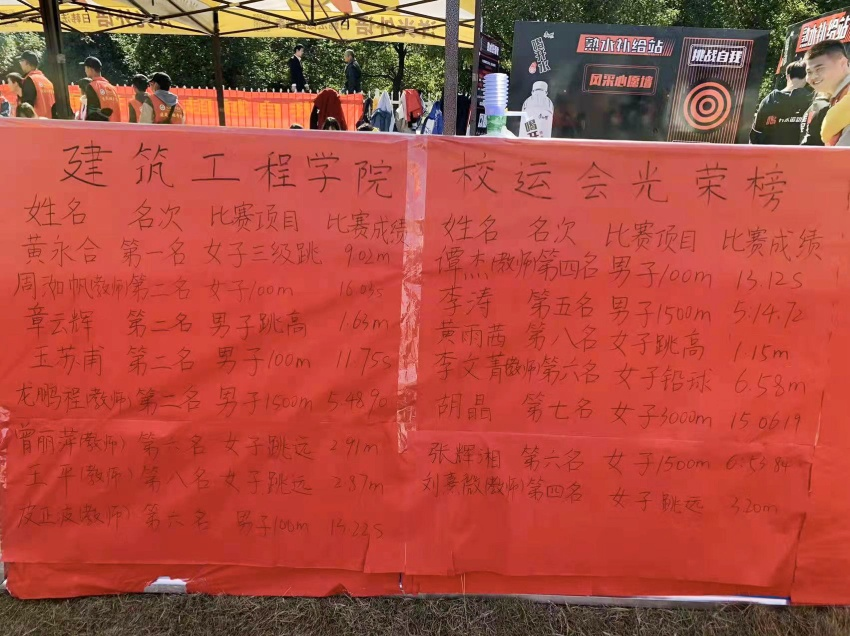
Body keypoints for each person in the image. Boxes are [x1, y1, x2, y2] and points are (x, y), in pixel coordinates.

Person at [749, 60, 812, 145]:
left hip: (770, 151)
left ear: (787, 76)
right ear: (806, 77)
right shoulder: (812, 100)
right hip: (800, 152)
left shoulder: (769, 100)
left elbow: (756, 133)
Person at [806, 39, 850, 145]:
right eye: (809, 72)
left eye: (819, 69)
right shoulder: (839, 98)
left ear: (843, 63)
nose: (813, 77)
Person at [81, 56, 121, 122]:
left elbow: (92, 114)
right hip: (115, 126)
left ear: (90, 69)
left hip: (101, 126)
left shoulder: (92, 86)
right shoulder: (112, 88)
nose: (85, 71)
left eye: (85, 68)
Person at [18, 50, 55, 118]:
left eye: (21, 61)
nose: (20, 64)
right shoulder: (47, 81)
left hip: (35, 122)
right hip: (49, 121)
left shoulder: (30, 80)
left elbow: (26, 108)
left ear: (26, 62)